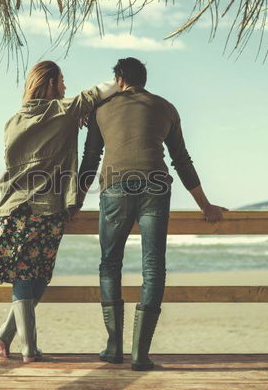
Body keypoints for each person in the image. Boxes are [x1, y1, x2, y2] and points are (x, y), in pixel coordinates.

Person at [76, 57, 228, 371]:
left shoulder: (101, 110)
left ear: (119, 79)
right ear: (143, 80)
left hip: (115, 186)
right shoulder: (166, 107)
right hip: (156, 187)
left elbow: (91, 157)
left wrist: (75, 201)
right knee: (153, 265)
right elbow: (181, 160)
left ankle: (114, 347)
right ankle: (140, 355)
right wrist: (205, 206)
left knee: (110, 262)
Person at [0, 60, 120, 363]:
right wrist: (84, 106)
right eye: (61, 81)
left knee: (37, 277)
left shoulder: (12, 121)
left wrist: (76, 113)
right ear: (49, 83)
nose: (65, 87)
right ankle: (29, 349)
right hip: (43, 206)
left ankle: (5, 335)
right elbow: (107, 88)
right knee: (29, 275)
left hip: (13, 205)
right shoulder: (63, 110)